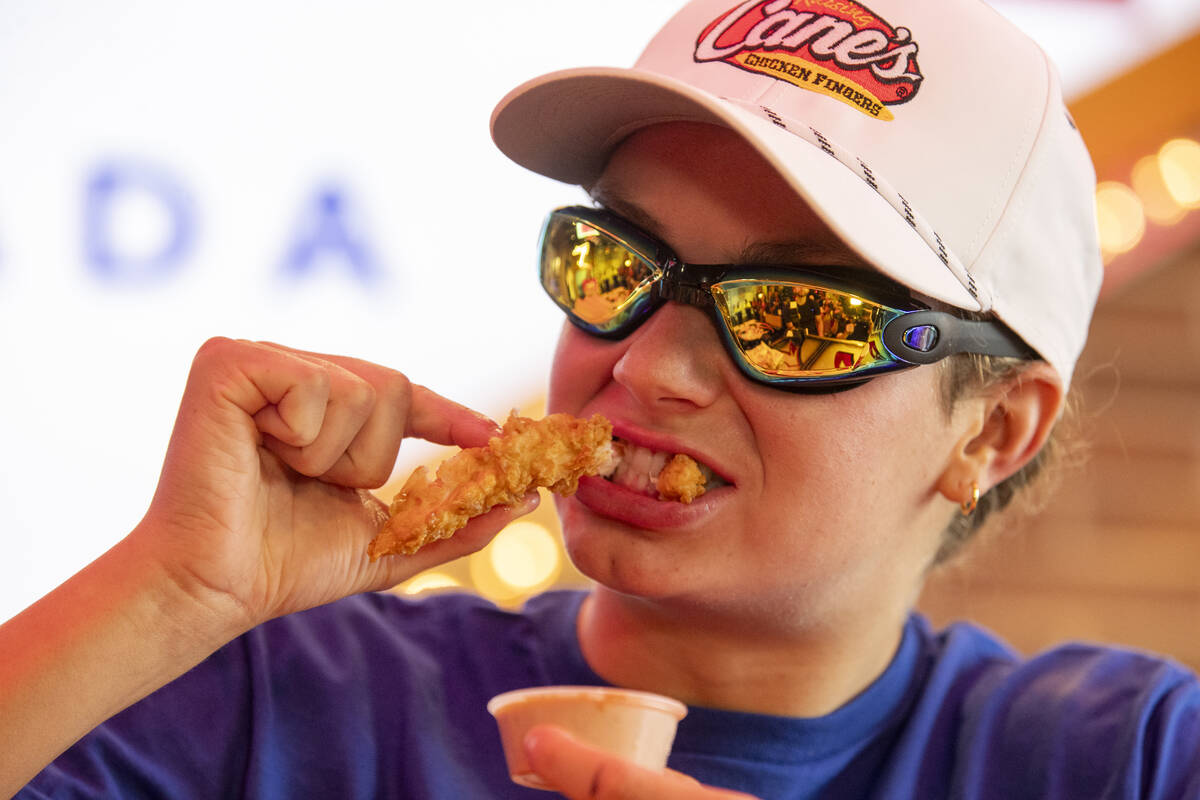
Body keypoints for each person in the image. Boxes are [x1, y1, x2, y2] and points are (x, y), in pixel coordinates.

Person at [6, 1, 1200, 798]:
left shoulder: (1122, 757)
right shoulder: (283, 698)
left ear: (990, 431)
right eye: (618, 263)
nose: (648, 366)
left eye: (795, 315)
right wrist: (171, 590)